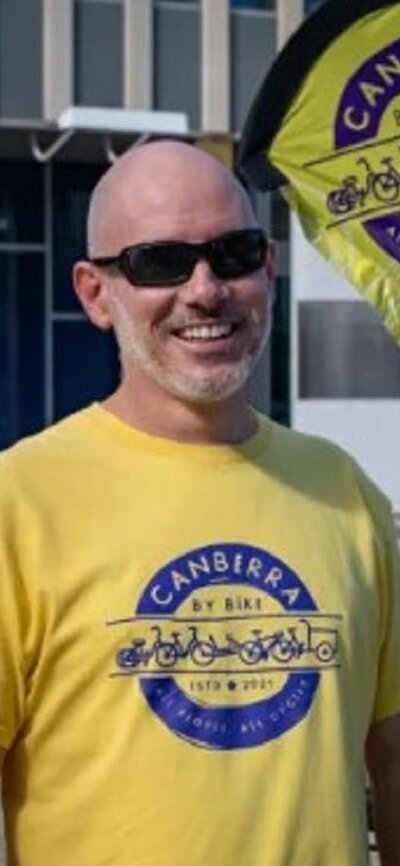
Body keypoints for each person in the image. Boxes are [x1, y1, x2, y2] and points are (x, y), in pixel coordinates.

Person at [0, 140, 399, 866]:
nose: (206, 289)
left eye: (235, 253)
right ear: (96, 293)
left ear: (269, 269)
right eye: (161, 262)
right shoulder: (18, 505)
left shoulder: (346, 494)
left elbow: (396, 761)